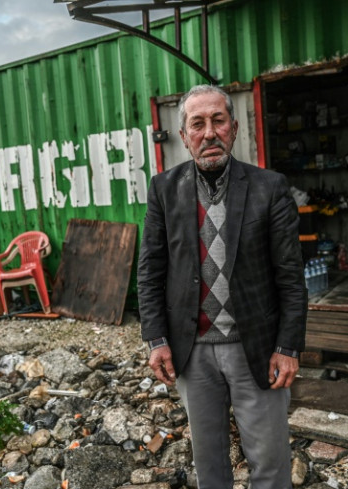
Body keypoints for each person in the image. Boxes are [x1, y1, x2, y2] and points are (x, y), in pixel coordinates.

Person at [137, 84, 307, 489]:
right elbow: (150, 270)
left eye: (218, 121)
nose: (209, 133)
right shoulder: (164, 189)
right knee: (210, 465)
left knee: (269, 461)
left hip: (257, 347)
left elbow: (290, 275)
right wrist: (156, 339)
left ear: (233, 128)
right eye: (198, 124)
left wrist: (288, 346)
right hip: (192, 353)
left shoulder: (269, 187)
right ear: (184, 136)